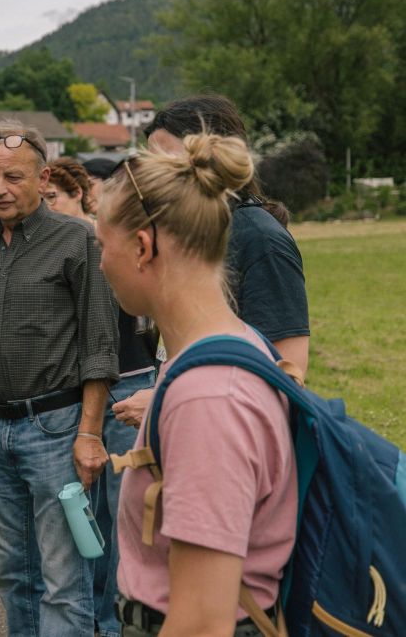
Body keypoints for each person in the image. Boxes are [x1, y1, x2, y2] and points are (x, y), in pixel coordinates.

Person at [96, 133, 296, 636]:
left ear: (143, 247)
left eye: (102, 244)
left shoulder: (209, 397)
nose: (100, 263)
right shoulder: (237, 342)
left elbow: (204, 622)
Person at [0, 120, 120, 636]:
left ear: (43, 176)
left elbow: (100, 344)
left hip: (54, 429)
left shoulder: (78, 240)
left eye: (13, 178)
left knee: (63, 578)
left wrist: (89, 432)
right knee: (13, 573)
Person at [113, 93, 310, 428]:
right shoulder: (186, 233)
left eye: (168, 163)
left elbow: (288, 374)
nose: (154, 178)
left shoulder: (261, 239)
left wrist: (162, 399)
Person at [44, 156, 159, 637]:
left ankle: (111, 621)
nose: (47, 208)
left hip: (127, 382)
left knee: (118, 514)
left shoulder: (103, 243)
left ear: (79, 196)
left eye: (54, 198)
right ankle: (93, 611)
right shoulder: (55, 248)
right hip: (79, 391)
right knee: (84, 512)